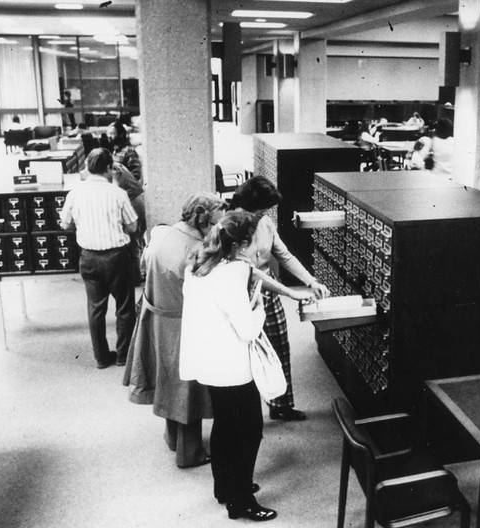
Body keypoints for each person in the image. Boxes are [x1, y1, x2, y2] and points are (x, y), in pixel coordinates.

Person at [179, 210, 278, 522]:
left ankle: (224, 486)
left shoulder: (198, 263)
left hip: (207, 359)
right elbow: (247, 329)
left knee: (224, 425)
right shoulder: (233, 271)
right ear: (241, 244)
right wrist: (259, 309)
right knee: (249, 430)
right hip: (230, 364)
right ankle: (242, 501)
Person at [124, 192, 227, 467]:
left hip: (159, 319)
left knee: (169, 382)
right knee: (188, 390)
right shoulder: (194, 249)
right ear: (203, 217)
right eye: (215, 222)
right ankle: (190, 453)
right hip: (183, 323)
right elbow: (209, 291)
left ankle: (173, 438)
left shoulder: (165, 234)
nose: (217, 228)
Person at [230, 177, 330, 422]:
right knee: (246, 353)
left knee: (279, 346)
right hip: (240, 291)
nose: (263, 214)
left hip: (267, 288)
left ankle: (281, 405)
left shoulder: (265, 222)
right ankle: (246, 412)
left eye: (266, 210)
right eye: (261, 209)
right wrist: (289, 291)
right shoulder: (229, 226)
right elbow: (247, 272)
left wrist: (311, 281)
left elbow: (284, 255)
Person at [59, 148, 139, 369]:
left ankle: (101, 358)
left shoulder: (75, 193)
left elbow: (64, 223)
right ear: (108, 168)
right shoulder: (118, 194)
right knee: (124, 307)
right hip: (117, 257)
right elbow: (133, 226)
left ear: (87, 167)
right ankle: (124, 356)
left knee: (96, 308)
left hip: (89, 257)